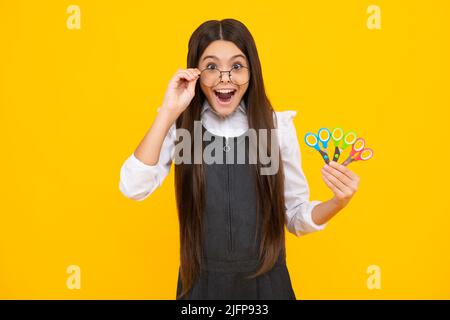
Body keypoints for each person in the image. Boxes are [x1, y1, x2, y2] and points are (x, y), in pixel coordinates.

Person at [119, 19, 360, 299]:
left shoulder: (275, 127)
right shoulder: (181, 128)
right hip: (201, 288)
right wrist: (167, 112)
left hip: (268, 288)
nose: (225, 78)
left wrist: (337, 202)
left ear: (251, 71)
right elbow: (133, 187)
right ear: (194, 73)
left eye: (236, 66)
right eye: (211, 67)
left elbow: (295, 217)